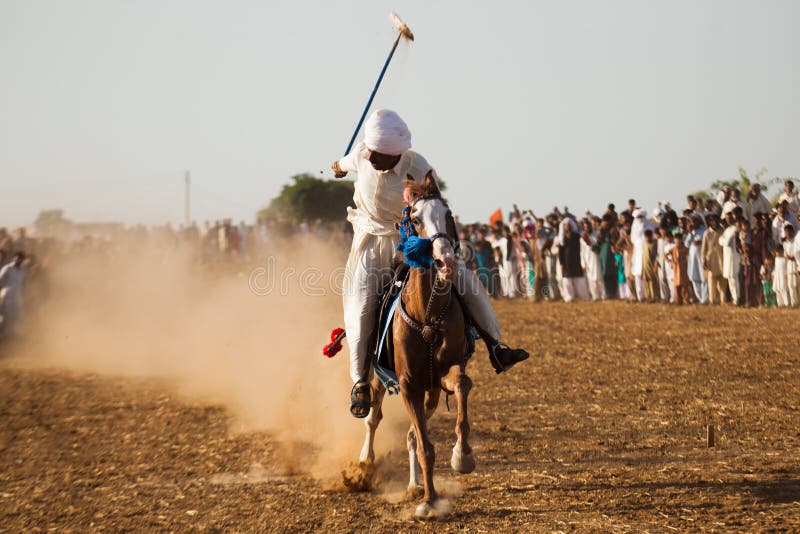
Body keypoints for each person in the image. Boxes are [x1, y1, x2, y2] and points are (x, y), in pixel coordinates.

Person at [330, 109, 528, 417]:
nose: (372, 160)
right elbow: (342, 164)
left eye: (379, 156)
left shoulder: (417, 165)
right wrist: (339, 167)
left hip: (410, 238)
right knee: (361, 303)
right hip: (370, 242)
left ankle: (496, 347)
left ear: (396, 153)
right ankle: (359, 382)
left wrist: (419, 206)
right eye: (371, 153)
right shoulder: (362, 154)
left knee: (463, 280)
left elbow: (431, 199)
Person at [558, 220, 589, 302]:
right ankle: (569, 298)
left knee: (579, 279)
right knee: (567, 281)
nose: (567, 227)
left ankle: (584, 297)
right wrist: (561, 263)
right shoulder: (562, 238)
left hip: (577, 260)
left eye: (569, 225)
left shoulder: (577, 236)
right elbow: (560, 252)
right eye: (566, 225)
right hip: (566, 262)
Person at [701, 215, 726, 304]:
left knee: (722, 282)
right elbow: (703, 249)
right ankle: (712, 301)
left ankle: (723, 300)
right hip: (710, 261)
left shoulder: (722, 232)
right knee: (711, 282)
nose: (714, 223)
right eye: (712, 221)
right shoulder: (706, 233)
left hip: (721, 259)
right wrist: (703, 260)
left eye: (715, 221)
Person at [0, 252, 27, 336]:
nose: (19, 260)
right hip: (6, 294)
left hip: (17, 295)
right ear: (13, 258)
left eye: (21, 258)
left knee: (16, 315)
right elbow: (1, 280)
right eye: (18, 258)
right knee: (5, 315)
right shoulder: (7, 268)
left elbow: (24, 282)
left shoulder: (23, 269)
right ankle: (3, 335)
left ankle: (12, 335)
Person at [719, 213, 742, 305]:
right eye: (727, 218)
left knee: (734, 278)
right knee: (729, 278)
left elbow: (727, 242)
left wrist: (724, 241)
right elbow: (720, 240)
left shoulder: (735, 230)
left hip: (734, 256)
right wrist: (724, 241)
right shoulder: (727, 230)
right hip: (727, 256)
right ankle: (734, 298)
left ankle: (737, 298)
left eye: (729, 218)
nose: (728, 220)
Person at [685, 215, 707, 303]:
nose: (693, 223)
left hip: (702, 257)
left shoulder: (704, 230)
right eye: (691, 222)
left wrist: (701, 242)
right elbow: (686, 244)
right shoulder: (691, 232)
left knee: (704, 278)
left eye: (694, 221)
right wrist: (690, 233)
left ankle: (704, 298)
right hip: (693, 259)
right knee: (694, 277)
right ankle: (699, 297)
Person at [669, 230, 691, 305]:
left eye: (678, 241)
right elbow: (665, 256)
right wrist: (671, 261)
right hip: (676, 270)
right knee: (677, 285)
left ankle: (686, 300)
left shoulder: (685, 249)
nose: (677, 243)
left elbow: (689, 256)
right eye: (676, 241)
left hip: (684, 269)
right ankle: (678, 300)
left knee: (685, 285)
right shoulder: (673, 249)